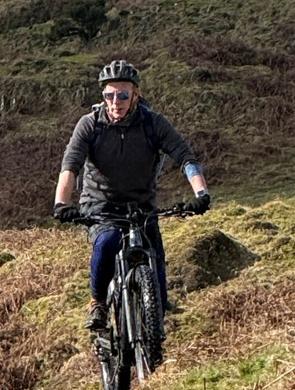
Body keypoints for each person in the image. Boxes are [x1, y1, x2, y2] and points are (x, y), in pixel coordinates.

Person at [52, 60, 211, 330]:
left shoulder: (153, 123)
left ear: (135, 95)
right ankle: (98, 303)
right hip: (100, 205)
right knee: (108, 241)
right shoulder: (90, 125)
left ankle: (152, 338)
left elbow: (185, 157)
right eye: (109, 95)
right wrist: (61, 203)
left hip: (141, 207)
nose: (116, 102)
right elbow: (71, 166)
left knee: (158, 288)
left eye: (123, 95)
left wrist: (201, 193)